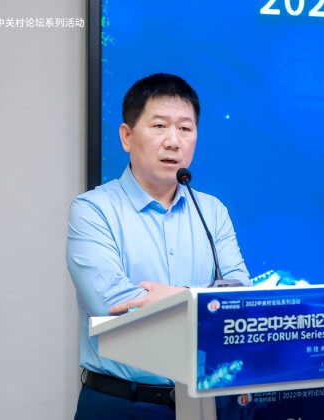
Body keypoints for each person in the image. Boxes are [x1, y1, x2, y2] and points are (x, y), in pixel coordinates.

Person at [66, 73, 251, 419]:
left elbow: (241, 301)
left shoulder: (212, 211)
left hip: (204, 404)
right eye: (160, 126)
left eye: (185, 128)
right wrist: (205, 304)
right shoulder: (93, 210)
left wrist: (178, 296)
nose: (173, 141)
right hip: (120, 404)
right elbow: (113, 306)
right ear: (127, 136)